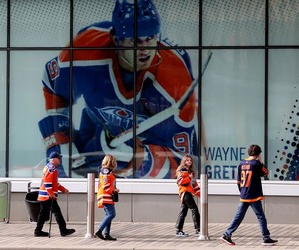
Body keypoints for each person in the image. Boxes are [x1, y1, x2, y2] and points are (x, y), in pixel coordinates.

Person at [38, 0, 198, 178]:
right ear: (116, 39)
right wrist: (61, 139)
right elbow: (52, 83)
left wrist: (140, 159)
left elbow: (184, 161)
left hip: (150, 143)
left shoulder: (174, 75)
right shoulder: (86, 49)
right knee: (63, 170)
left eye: (150, 38)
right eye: (135, 41)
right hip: (96, 131)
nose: (145, 49)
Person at [221, 145, 278, 246]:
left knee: (238, 216)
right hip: (254, 195)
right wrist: (261, 161)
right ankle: (266, 237)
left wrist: (242, 191)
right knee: (261, 216)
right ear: (258, 154)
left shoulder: (241, 163)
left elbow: (238, 181)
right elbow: (265, 172)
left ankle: (227, 234)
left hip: (244, 194)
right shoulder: (256, 163)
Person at [34, 151, 75, 237]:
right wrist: (51, 194)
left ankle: (38, 231)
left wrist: (63, 189)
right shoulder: (51, 169)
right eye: (58, 158)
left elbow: (54, 183)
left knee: (43, 213)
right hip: (48, 196)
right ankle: (63, 230)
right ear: (54, 159)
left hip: (44, 195)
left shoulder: (48, 167)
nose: (60, 159)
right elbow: (47, 183)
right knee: (57, 212)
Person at [95, 154, 120, 241]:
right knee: (111, 214)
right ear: (111, 162)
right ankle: (99, 230)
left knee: (108, 215)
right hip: (106, 195)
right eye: (114, 161)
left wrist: (114, 189)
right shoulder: (105, 171)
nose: (116, 163)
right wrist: (114, 190)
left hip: (106, 195)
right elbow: (105, 185)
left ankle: (106, 234)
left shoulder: (107, 171)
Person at [175, 154, 201, 237]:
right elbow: (180, 181)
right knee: (194, 209)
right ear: (184, 161)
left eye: (190, 160)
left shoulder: (190, 172)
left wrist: (200, 194)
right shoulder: (183, 170)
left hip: (188, 193)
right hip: (185, 192)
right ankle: (198, 230)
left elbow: (194, 184)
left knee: (183, 211)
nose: (189, 161)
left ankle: (179, 230)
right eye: (187, 160)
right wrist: (189, 178)